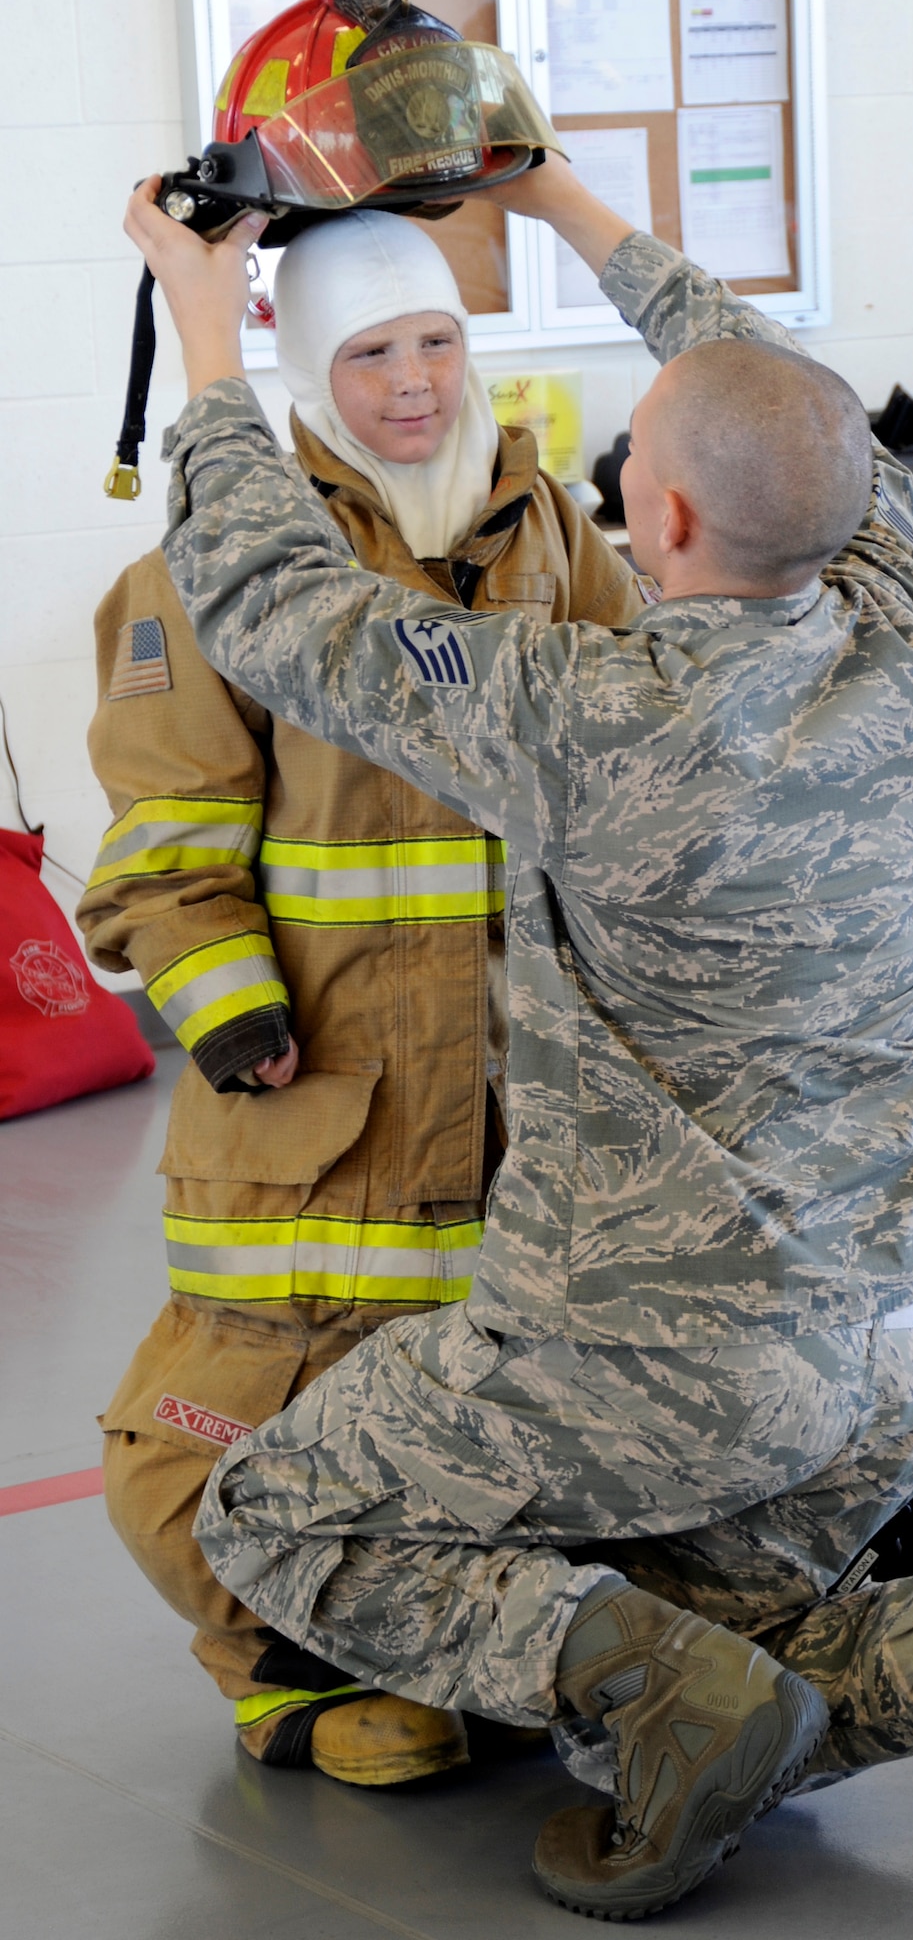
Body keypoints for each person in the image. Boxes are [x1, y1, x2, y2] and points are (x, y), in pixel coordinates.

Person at [125, 157, 913, 1921]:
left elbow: (279, 608)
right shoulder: (905, 626)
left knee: (271, 1521)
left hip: (651, 1361)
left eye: (641, 457)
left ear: (672, 528)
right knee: (753, 1637)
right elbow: (798, 409)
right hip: (882, 1353)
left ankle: (655, 1699)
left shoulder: (587, 714)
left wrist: (202, 331)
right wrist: (559, 198)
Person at [77, 204, 642, 1785]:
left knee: (527, 1382)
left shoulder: (545, 534)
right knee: (263, 1409)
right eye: (373, 352)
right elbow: (164, 835)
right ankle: (289, 1671)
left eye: (438, 341)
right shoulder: (208, 564)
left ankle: (503, 1639)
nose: (414, 381)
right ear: (305, 368)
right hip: (319, 1101)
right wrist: (226, 1000)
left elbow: (629, 754)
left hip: (534, 1089)